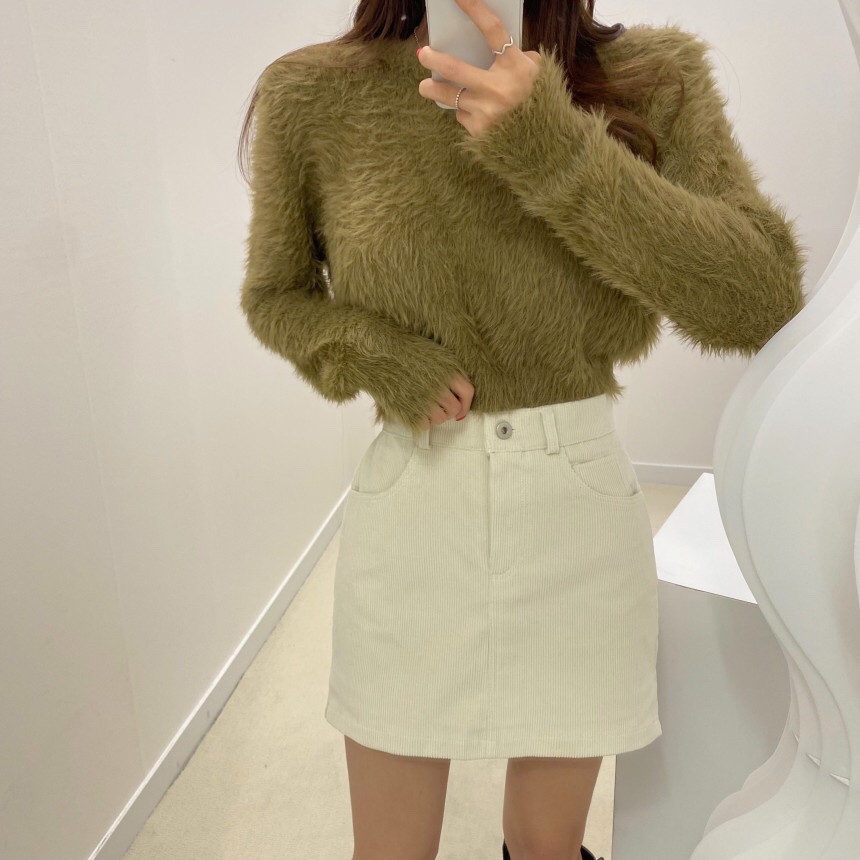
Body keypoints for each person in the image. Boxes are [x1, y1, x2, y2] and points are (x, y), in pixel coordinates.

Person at [237, 1, 808, 858]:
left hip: (575, 511)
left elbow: (758, 299)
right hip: (415, 507)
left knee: (547, 847)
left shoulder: (651, 78)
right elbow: (276, 296)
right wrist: (379, 357)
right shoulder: (313, 94)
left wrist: (551, 144)